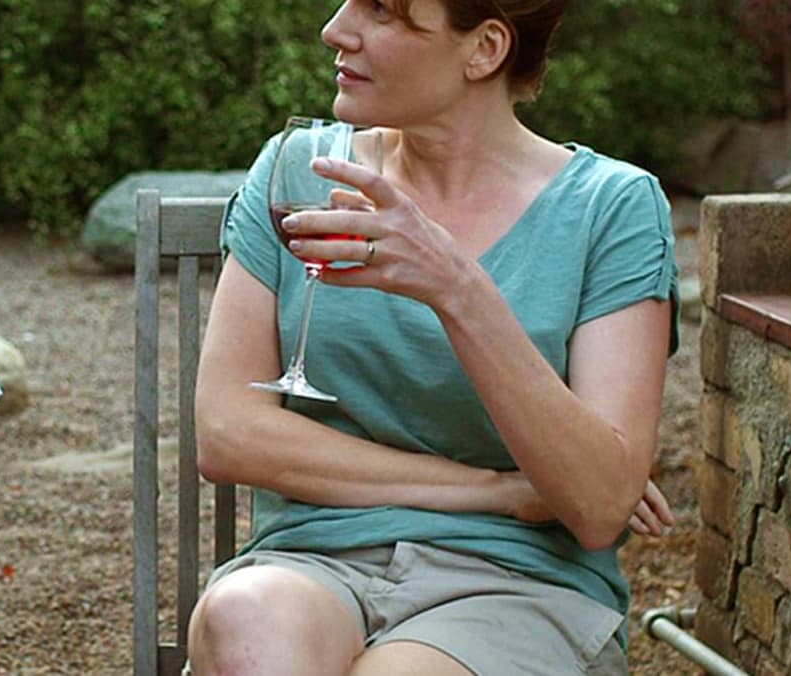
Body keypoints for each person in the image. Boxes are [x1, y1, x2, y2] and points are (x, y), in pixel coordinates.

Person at [188, 1, 678, 674]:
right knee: (245, 620)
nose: (335, 30)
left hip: (516, 583)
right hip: (312, 561)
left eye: (381, 11)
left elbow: (597, 504)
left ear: (484, 49)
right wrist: (498, 489)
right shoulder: (302, 170)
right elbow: (228, 434)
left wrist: (457, 288)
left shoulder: (610, 207)